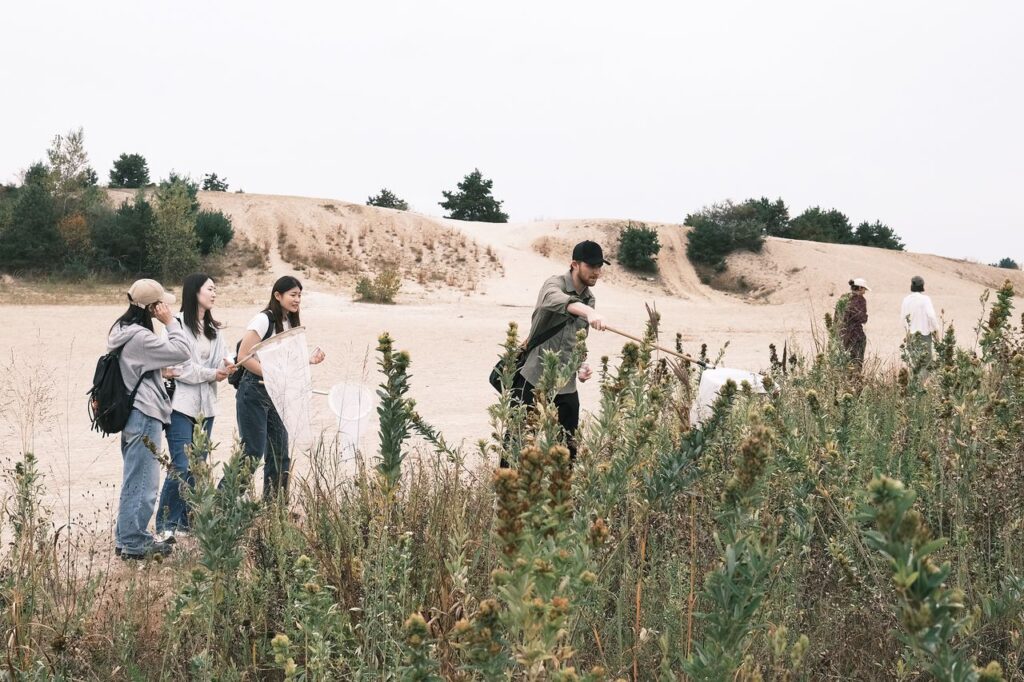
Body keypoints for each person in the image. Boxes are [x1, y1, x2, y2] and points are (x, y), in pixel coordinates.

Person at [107, 279, 190, 560]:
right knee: (144, 480)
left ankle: (126, 537)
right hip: (144, 413)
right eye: (160, 305)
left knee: (134, 477)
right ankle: (134, 542)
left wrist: (158, 373)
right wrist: (171, 322)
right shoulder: (141, 337)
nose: (164, 308)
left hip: (132, 413)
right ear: (152, 308)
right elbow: (182, 351)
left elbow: (135, 366)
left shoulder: (122, 330)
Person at [508, 240, 610, 464]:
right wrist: (587, 312)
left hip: (566, 383)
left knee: (568, 448)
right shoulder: (554, 284)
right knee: (517, 444)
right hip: (533, 377)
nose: (596, 272)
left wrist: (582, 366)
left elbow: (577, 342)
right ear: (574, 264)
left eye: (599, 266)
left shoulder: (590, 298)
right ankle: (505, 496)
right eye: (591, 266)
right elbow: (555, 301)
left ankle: (561, 496)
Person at [155, 273, 234, 541]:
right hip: (180, 404)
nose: (214, 293)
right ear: (194, 292)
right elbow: (178, 369)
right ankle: (165, 524)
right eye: (209, 289)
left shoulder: (213, 329)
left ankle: (186, 523)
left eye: (215, 289)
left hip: (206, 406)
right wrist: (213, 373)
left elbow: (219, 364)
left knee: (198, 466)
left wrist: (226, 367)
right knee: (180, 464)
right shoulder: (174, 325)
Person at [235, 276, 325, 500]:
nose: (297, 300)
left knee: (280, 454)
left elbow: (285, 364)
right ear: (278, 295)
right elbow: (243, 356)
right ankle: (222, 504)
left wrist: (309, 360)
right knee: (252, 453)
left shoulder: (289, 323)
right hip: (254, 390)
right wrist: (273, 375)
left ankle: (274, 510)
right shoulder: (263, 319)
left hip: (278, 392)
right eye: (293, 295)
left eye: (300, 295)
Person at [900, 275, 940, 378]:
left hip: (911, 335)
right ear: (922, 286)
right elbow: (931, 316)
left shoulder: (906, 300)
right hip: (924, 335)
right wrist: (936, 330)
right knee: (926, 364)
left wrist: (907, 332)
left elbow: (903, 318)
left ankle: (915, 387)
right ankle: (921, 388)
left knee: (914, 364)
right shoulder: (925, 299)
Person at [840, 278, 870, 369]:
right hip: (856, 336)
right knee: (856, 361)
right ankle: (855, 381)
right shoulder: (860, 300)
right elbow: (862, 318)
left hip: (842, 335)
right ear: (860, 288)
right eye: (864, 289)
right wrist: (865, 317)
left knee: (844, 362)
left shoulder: (843, 298)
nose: (865, 292)